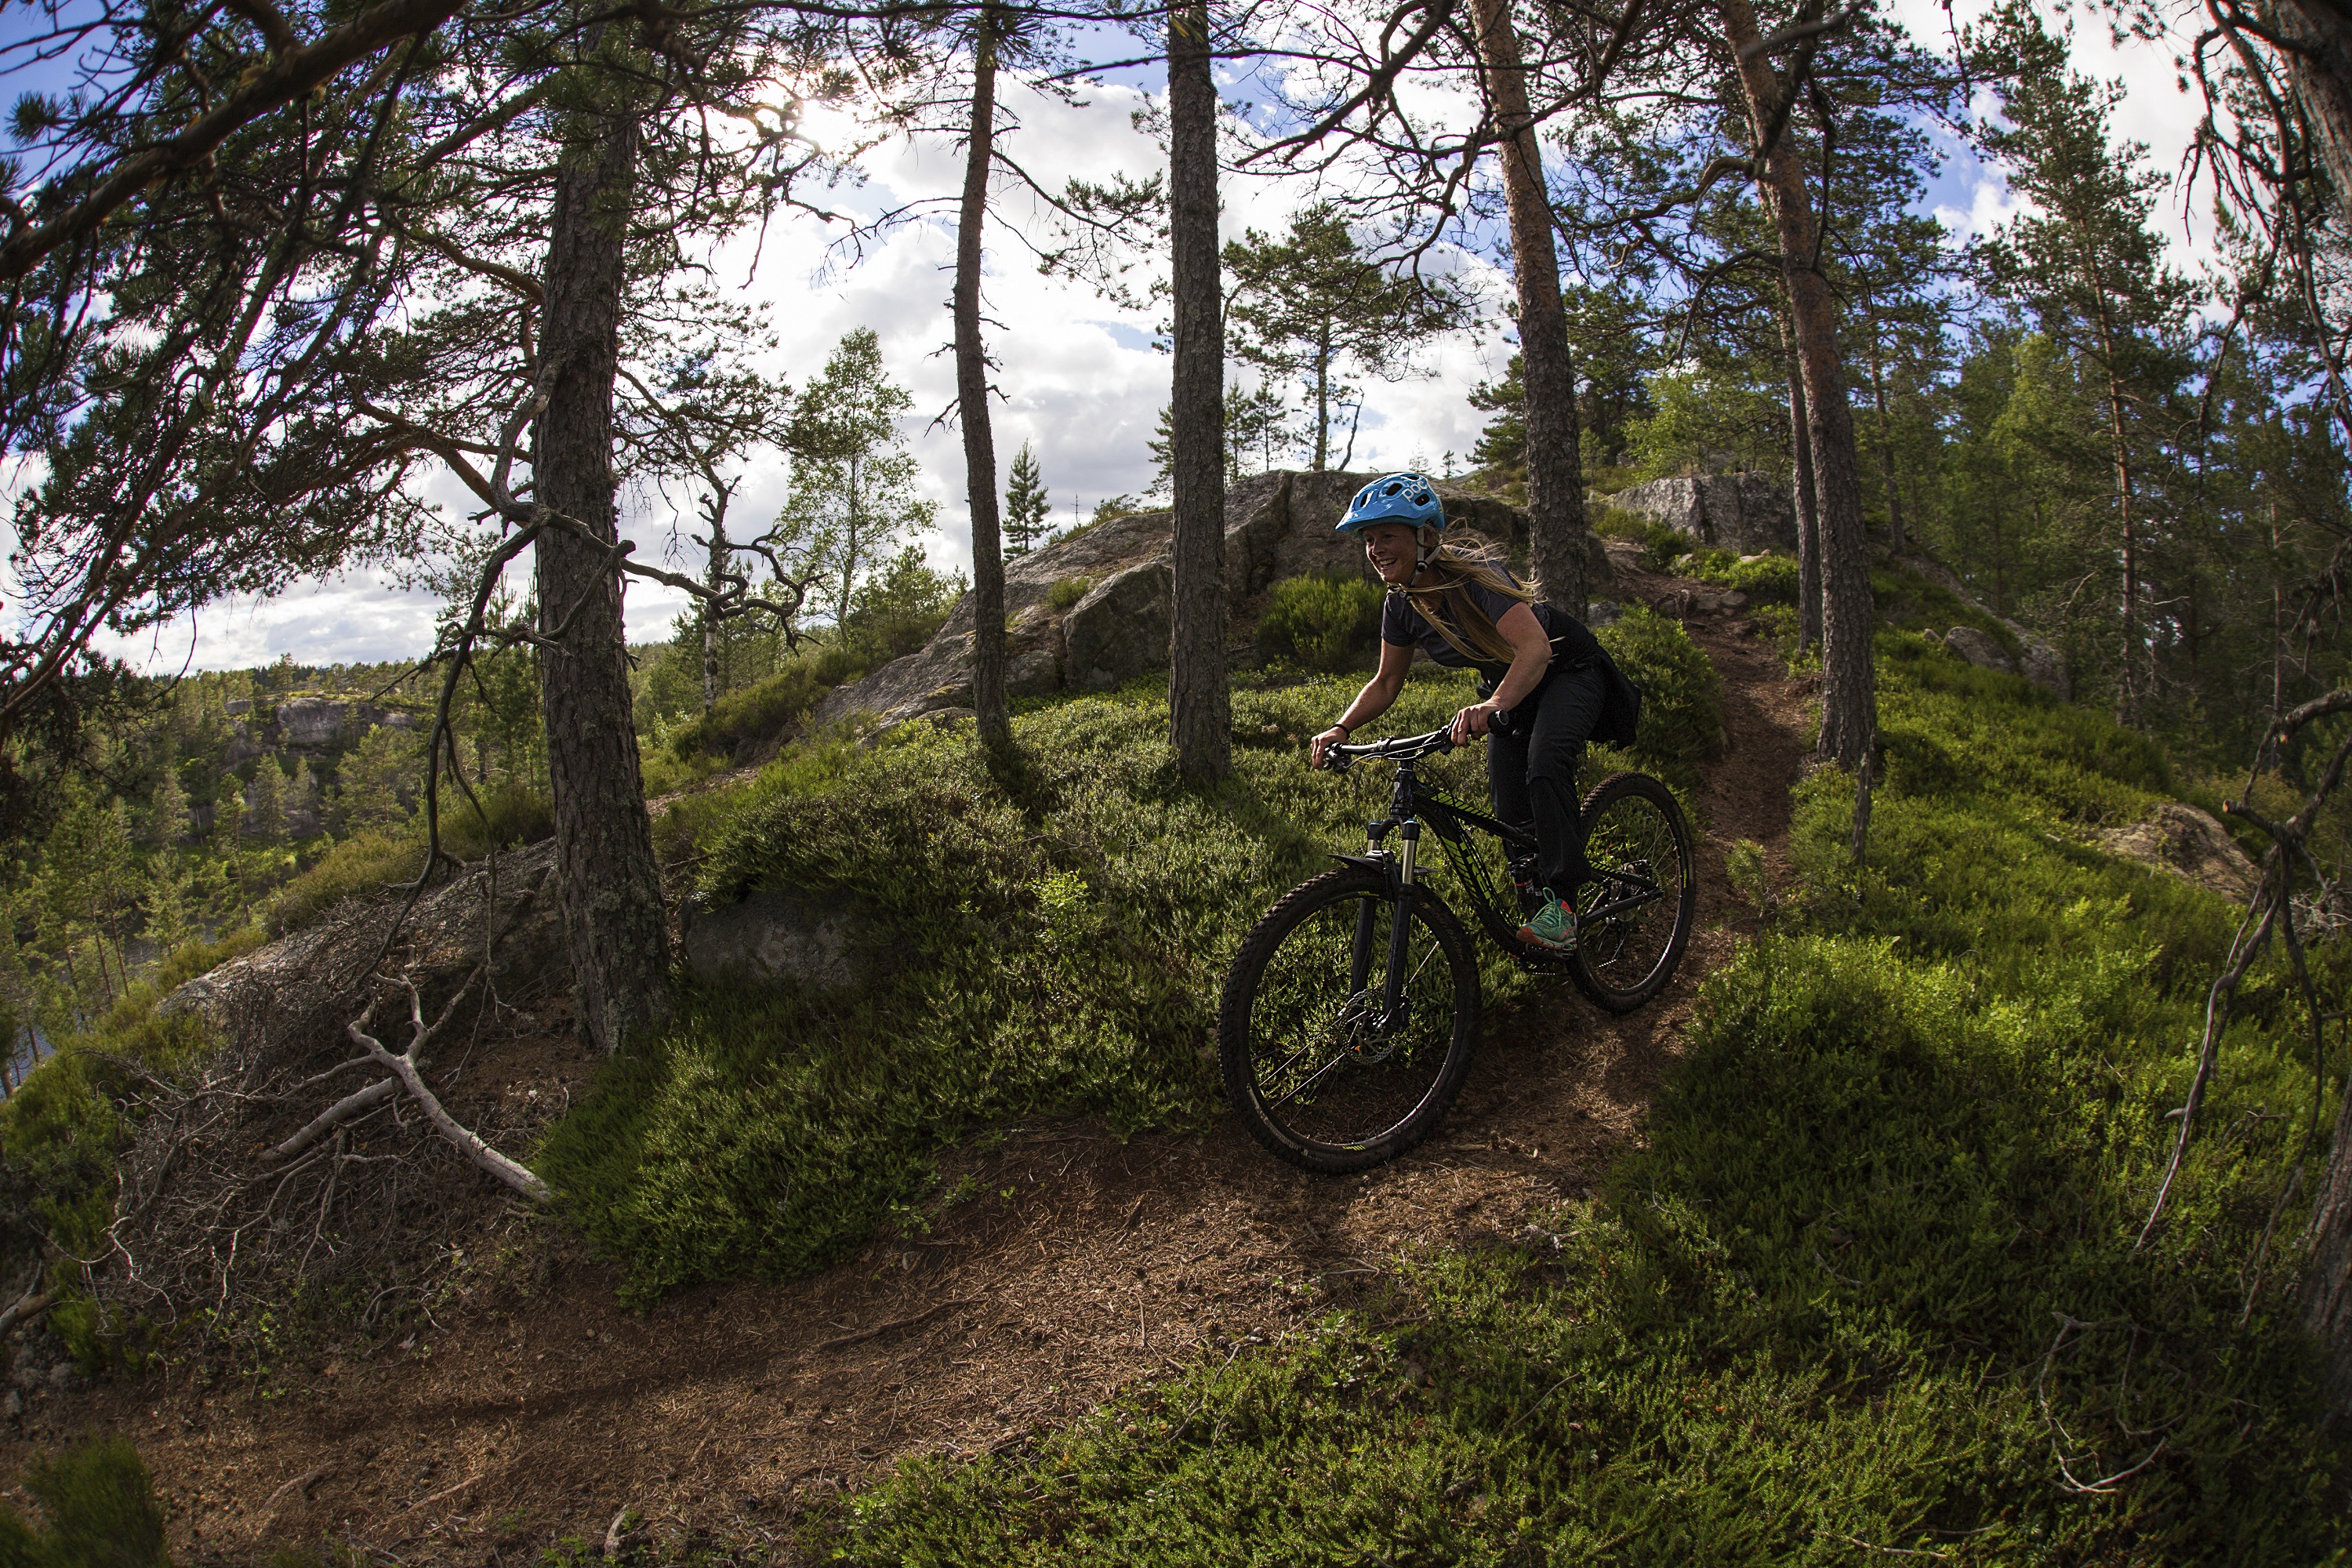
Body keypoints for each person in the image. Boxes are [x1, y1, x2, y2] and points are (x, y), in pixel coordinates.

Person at [1308, 472, 1639, 951]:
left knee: (1544, 767)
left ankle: (1563, 910)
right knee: (1510, 808)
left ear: (1425, 537)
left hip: (1566, 669)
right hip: (1510, 689)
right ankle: (1536, 911)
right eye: (1369, 539)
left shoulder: (1476, 579)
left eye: (1387, 536)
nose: (1375, 549)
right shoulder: (1401, 604)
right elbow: (1385, 682)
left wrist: (1494, 704)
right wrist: (1341, 727)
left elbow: (1535, 649)